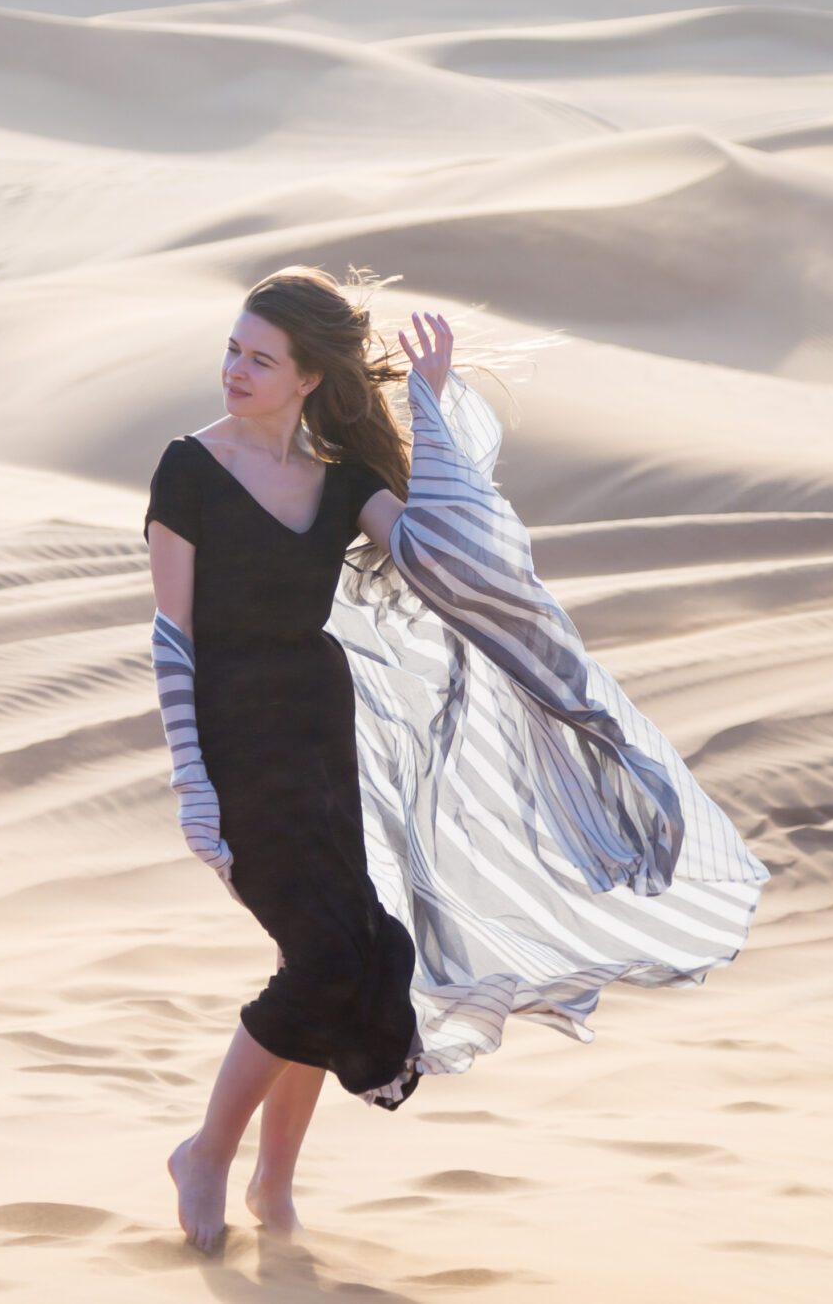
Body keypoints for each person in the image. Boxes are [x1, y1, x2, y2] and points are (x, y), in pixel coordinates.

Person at [142, 268, 766, 1254]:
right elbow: (171, 637)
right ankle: (206, 1154)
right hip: (237, 742)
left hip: (318, 740)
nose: (234, 371)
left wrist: (429, 415)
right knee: (322, 959)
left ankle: (272, 1182)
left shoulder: (342, 481)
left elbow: (444, 560)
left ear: (308, 378)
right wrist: (192, 780)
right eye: (231, 349)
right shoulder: (187, 469)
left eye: (259, 359)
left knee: (353, 964)